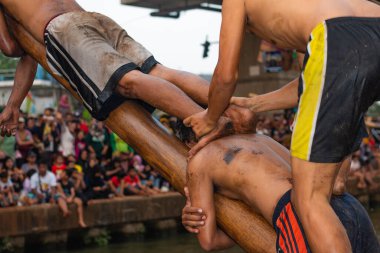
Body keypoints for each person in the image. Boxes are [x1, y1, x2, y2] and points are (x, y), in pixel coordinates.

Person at [184, 1, 380, 251]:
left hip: (338, 39)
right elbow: (312, 82)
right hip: (370, 29)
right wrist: (255, 104)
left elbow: (225, 76)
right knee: (332, 186)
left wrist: (210, 117)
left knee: (307, 198)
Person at [0, 0, 253, 141]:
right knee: (157, 72)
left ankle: (210, 122)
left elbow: (13, 48)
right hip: (95, 18)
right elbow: (30, 56)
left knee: (128, 82)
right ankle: (233, 111)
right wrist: (13, 105)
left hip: (62, 28)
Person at [175, 122, 380, 253]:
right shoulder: (260, 138)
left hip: (302, 214)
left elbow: (210, 242)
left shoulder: (199, 161)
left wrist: (202, 213)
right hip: (348, 207)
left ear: (188, 143)